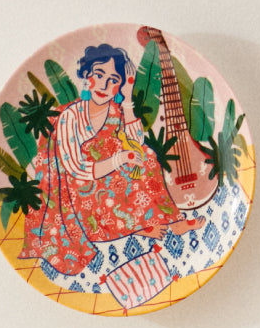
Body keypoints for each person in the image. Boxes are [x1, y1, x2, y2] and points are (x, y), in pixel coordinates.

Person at [20, 44, 195, 278]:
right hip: (74, 188)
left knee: (147, 156)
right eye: (99, 75)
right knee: (111, 177)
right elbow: (76, 169)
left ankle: (171, 222)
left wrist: (128, 100)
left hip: (104, 176)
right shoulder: (70, 116)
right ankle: (137, 227)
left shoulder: (114, 110)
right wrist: (120, 159)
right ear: (87, 76)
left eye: (113, 80)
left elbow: (135, 141)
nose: (104, 85)